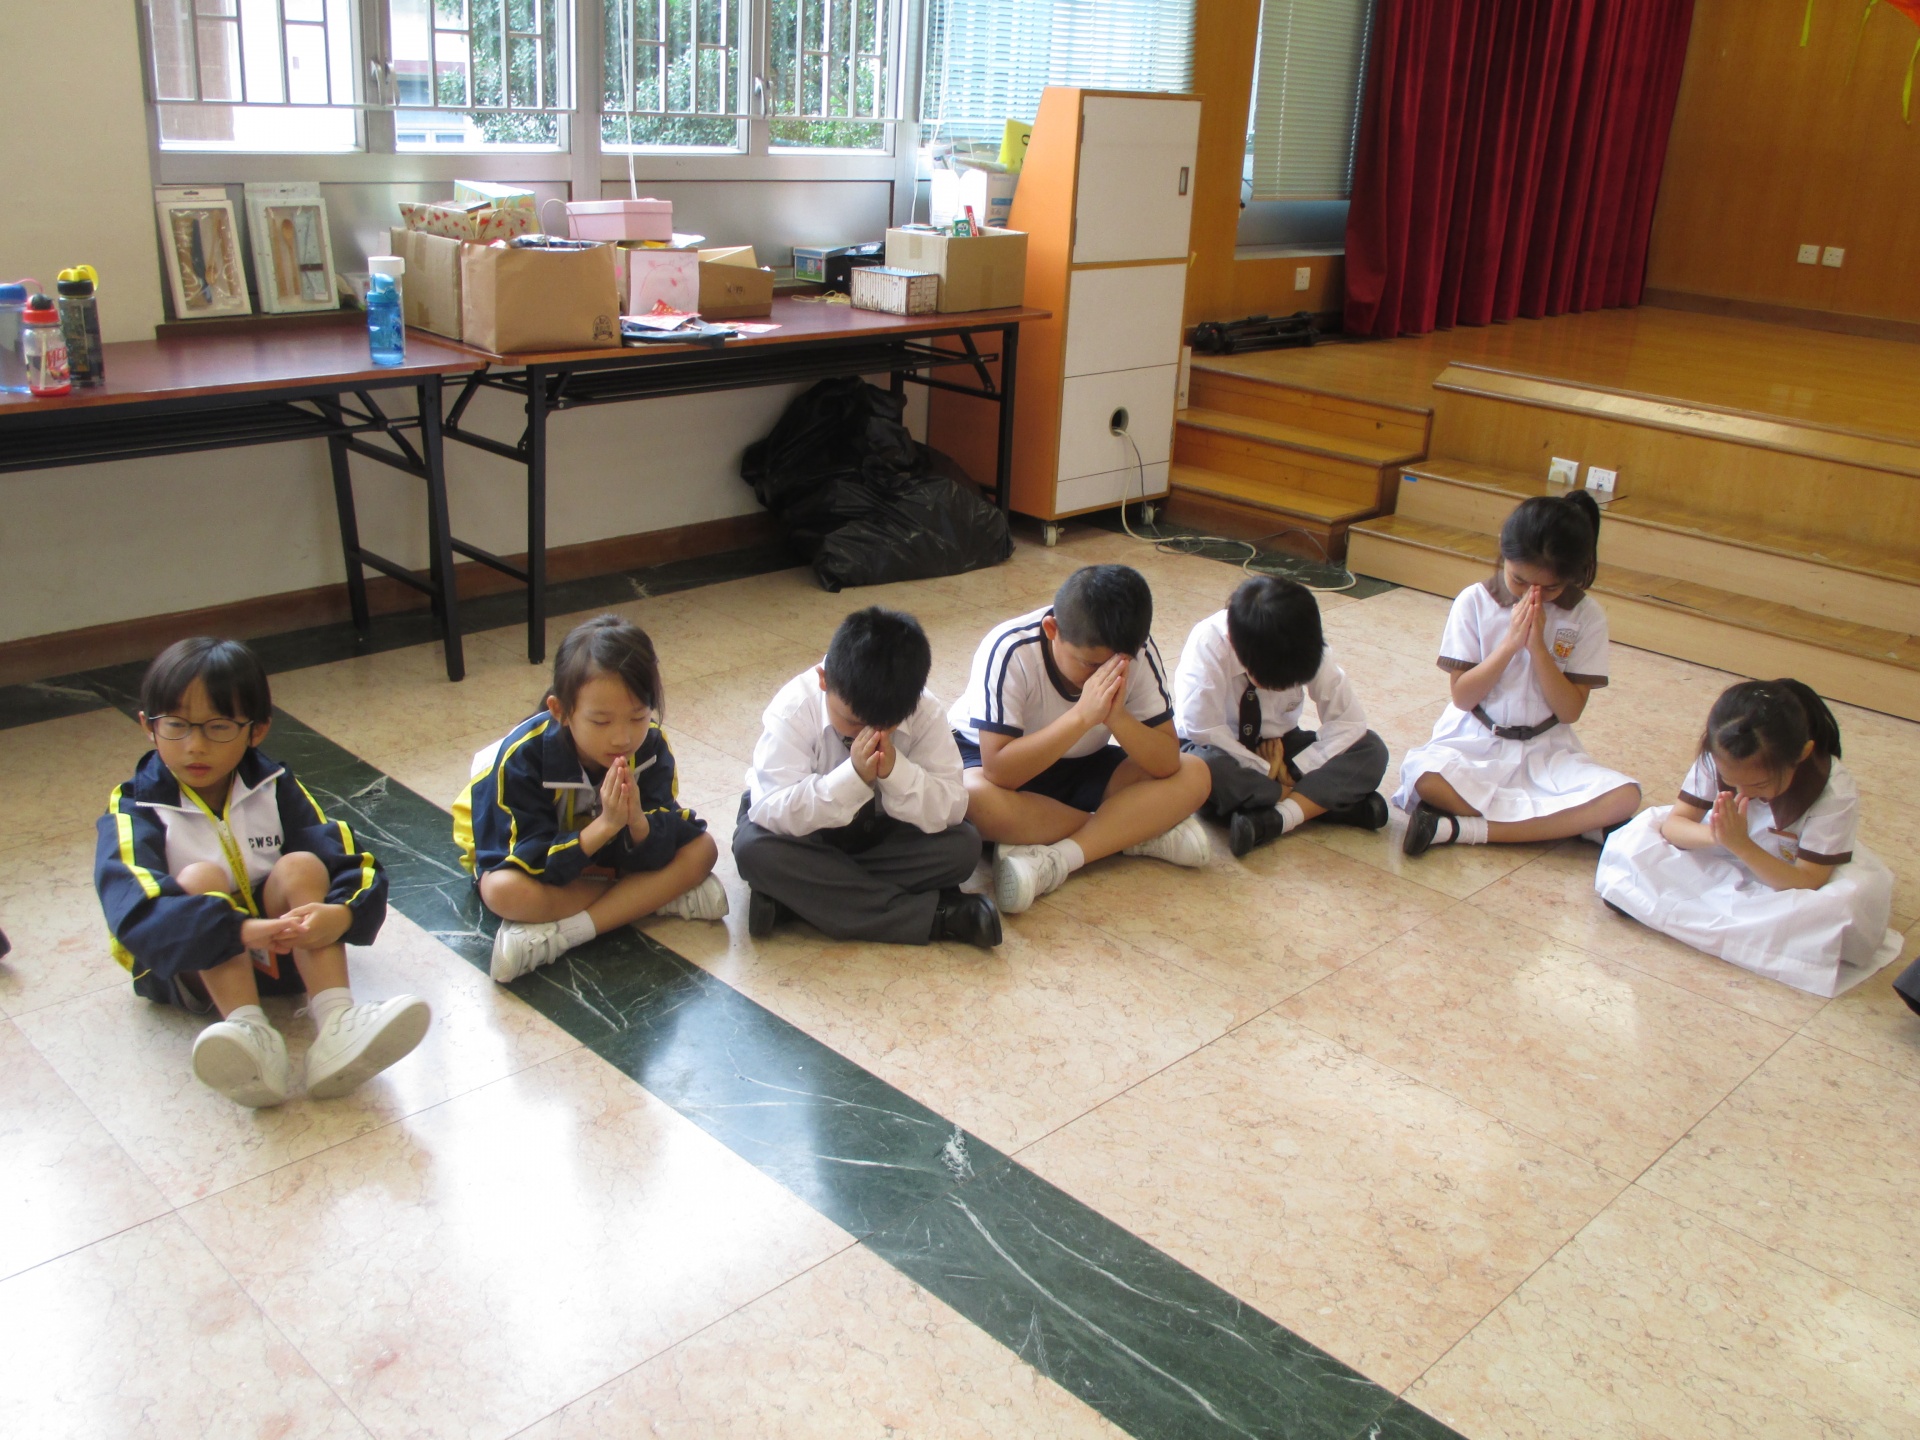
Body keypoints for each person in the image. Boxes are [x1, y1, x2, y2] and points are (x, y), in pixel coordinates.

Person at [95, 638, 427, 1108]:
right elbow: (131, 909)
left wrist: (344, 914)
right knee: (202, 878)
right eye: (176, 725)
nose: (195, 746)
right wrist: (237, 930)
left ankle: (337, 1023)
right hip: (189, 969)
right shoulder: (134, 808)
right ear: (148, 726)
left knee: (301, 866)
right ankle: (248, 1031)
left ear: (257, 730)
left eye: (218, 727)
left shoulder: (273, 785)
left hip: (282, 952)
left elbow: (349, 860)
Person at [456, 614, 725, 983]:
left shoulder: (650, 746)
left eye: (638, 717)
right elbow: (529, 859)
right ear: (561, 711)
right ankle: (650, 899)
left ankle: (565, 933)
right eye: (601, 722)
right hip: (537, 853)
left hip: (593, 866)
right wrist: (606, 826)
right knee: (502, 891)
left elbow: (668, 827)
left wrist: (637, 823)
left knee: (703, 849)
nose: (622, 738)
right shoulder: (521, 760)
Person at [1595, 678, 1901, 997]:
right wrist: (1719, 837)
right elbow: (1676, 825)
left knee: (1836, 909)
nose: (1744, 793)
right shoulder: (1718, 753)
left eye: (1759, 785)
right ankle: (1727, 929)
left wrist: (1742, 845)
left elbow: (1809, 880)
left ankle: (1666, 911)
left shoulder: (1834, 791)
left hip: (1786, 875)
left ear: (1802, 754)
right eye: (1731, 781)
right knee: (1636, 841)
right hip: (1723, 846)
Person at [952, 564, 1213, 913]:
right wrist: (1082, 716)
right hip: (994, 766)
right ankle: (1130, 832)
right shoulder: (1010, 648)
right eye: (1090, 665)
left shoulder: (1135, 650)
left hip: (1082, 762)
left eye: (1117, 665)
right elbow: (1000, 770)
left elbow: (1167, 760)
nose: (1103, 676)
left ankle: (1058, 857)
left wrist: (1116, 717)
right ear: (1052, 630)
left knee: (1195, 773)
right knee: (970, 798)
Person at [734, 606, 999, 947]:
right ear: (824, 679)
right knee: (754, 850)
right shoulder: (794, 708)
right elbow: (771, 808)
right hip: (808, 836)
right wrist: (852, 777)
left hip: (883, 831)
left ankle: (796, 900)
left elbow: (952, 806)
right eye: (852, 722)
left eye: (885, 726)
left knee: (962, 848)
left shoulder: (924, 711)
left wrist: (895, 772)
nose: (867, 736)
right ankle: (935, 917)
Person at [1393, 491, 1639, 855]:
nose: (1533, 595)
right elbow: (1463, 697)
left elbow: (1570, 711)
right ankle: (1573, 824)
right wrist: (1510, 644)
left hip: (1547, 749)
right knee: (1424, 778)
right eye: (1520, 580)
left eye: (1551, 588)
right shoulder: (1474, 601)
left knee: (1626, 796)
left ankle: (1457, 829)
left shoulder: (1587, 616)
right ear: (1503, 552)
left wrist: (1538, 648)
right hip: (1476, 740)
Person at [1174, 575, 1390, 855]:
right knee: (1202, 768)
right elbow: (1202, 730)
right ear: (1234, 644)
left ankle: (1275, 818)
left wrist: (1297, 768)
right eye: (1271, 684)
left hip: (1281, 746)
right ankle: (1321, 803)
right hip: (1221, 750)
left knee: (1371, 749)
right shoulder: (1208, 644)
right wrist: (1269, 770)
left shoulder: (1307, 644)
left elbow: (1349, 722)